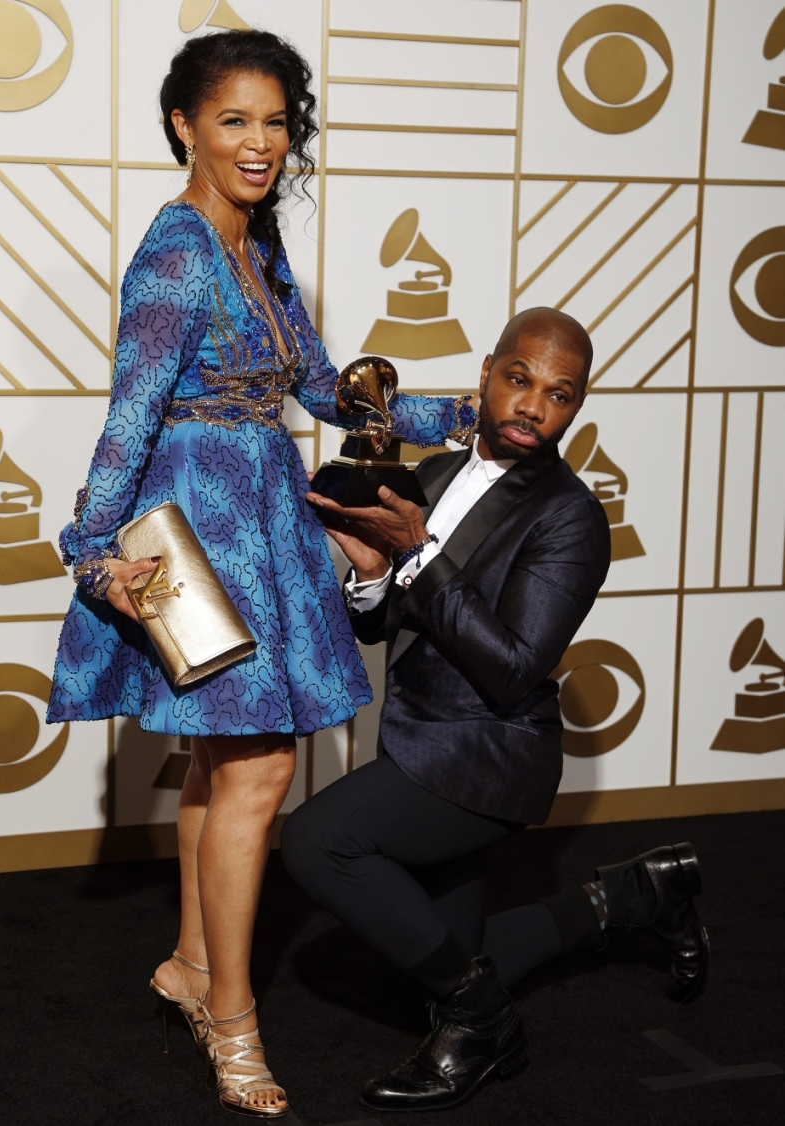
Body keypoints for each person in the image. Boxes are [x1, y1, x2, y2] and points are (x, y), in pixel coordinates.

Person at [46, 30, 477, 1120]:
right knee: (261, 772)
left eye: (277, 121)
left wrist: (459, 417)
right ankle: (233, 1021)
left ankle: (193, 965)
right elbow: (130, 417)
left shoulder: (260, 244)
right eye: (234, 119)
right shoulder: (181, 251)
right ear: (183, 125)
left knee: (222, 769)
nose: (260, 142)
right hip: (202, 535)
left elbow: (327, 389)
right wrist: (92, 551)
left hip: (260, 521)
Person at [282, 307, 709, 1114]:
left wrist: (418, 553)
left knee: (318, 841)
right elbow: (381, 620)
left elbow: (513, 669)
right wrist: (373, 569)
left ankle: (484, 1026)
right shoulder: (435, 476)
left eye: (560, 394)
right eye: (519, 380)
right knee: (450, 958)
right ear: (485, 373)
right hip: (419, 733)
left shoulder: (571, 517)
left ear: (576, 406)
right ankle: (638, 897)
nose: (533, 407)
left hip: (491, 754)